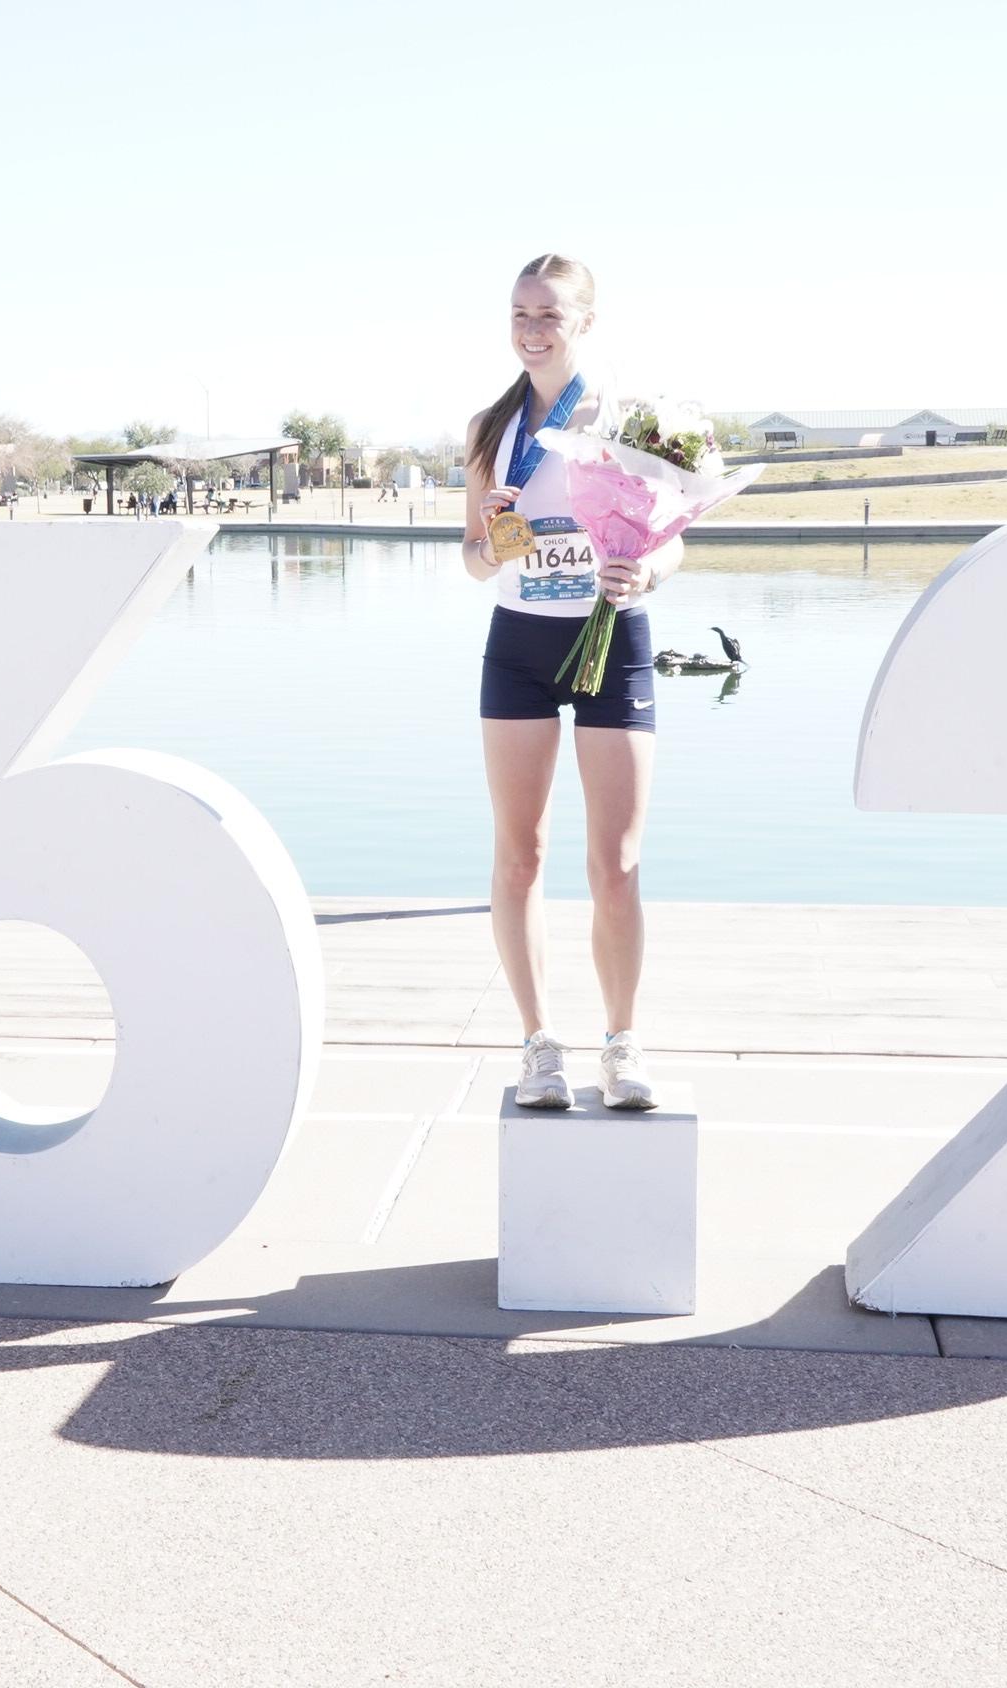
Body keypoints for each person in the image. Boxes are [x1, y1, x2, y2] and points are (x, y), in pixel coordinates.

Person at [460, 253, 676, 1114]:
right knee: (520, 857)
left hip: (611, 640)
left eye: (549, 314)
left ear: (586, 321)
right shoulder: (490, 427)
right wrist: (495, 543)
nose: (532, 330)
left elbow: (672, 537)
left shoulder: (629, 419)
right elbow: (474, 561)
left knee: (615, 864)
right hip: (519, 646)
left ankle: (622, 1045)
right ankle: (539, 1045)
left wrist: (647, 572)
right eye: (520, 313)